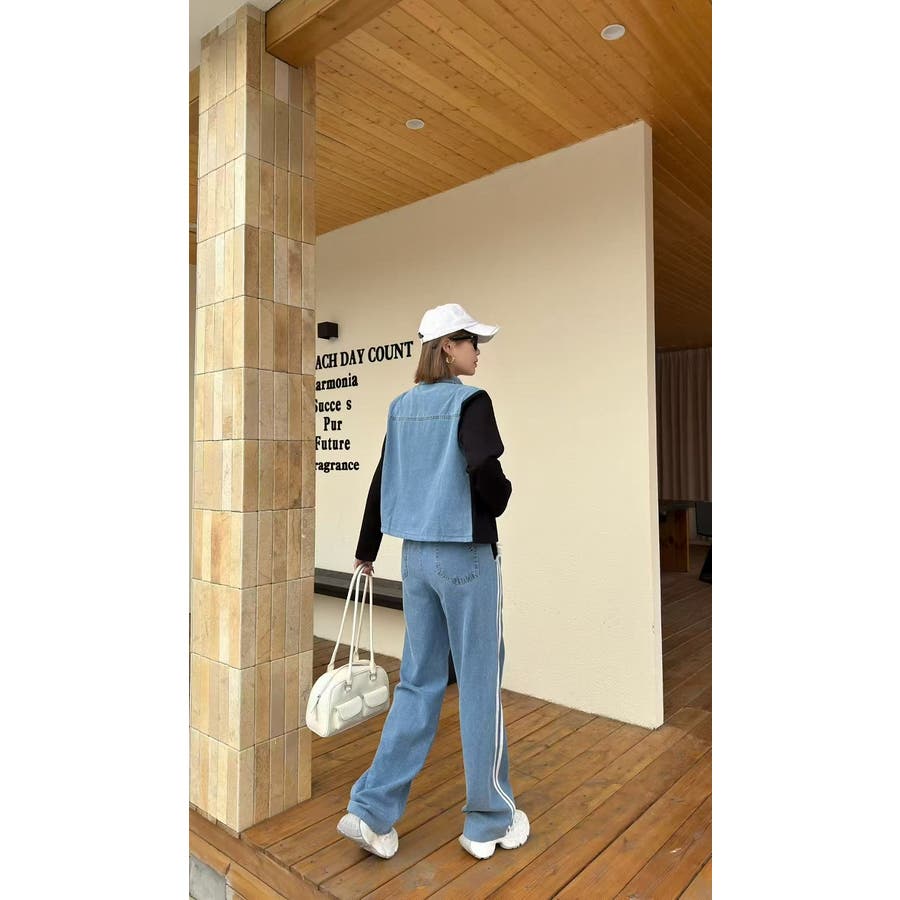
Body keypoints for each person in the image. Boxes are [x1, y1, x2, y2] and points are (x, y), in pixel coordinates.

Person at [336, 303, 530, 861]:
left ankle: (370, 811)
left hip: (414, 558)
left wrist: (366, 550)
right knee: (478, 685)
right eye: (472, 343)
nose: (478, 353)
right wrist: (501, 498)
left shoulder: (401, 407)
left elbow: (382, 478)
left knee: (419, 684)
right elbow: (483, 468)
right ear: (448, 346)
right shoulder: (472, 401)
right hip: (464, 557)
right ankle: (488, 820)